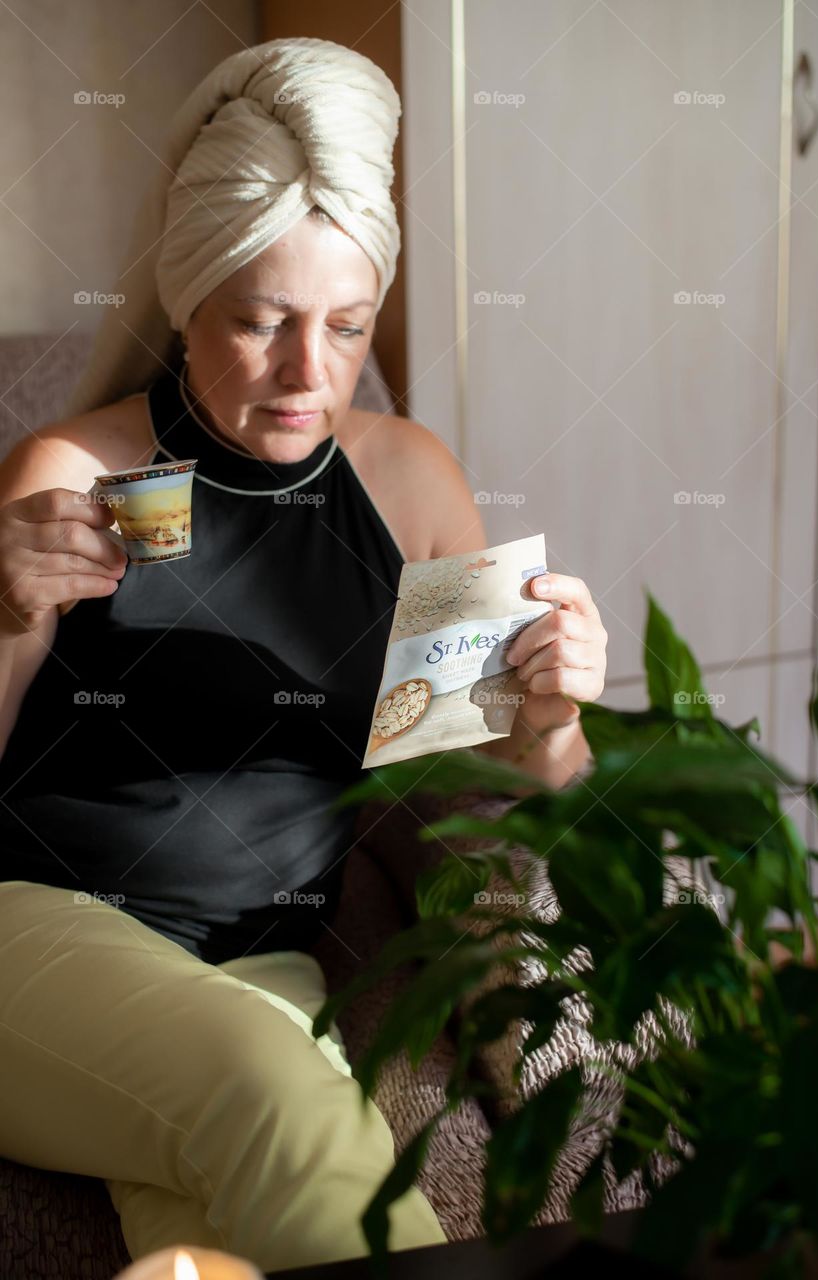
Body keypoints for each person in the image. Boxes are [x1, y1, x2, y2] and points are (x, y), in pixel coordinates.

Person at [0, 36, 486, 1273]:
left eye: (345, 323)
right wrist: (0, 606)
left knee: (212, 1240)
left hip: (263, 963)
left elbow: (464, 784)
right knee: (274, 1095)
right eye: (260, 321)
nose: (305, 373)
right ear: (184, 296)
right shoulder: (73, 471)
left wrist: (547, 727)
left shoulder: (413, 484)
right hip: (37, 927)